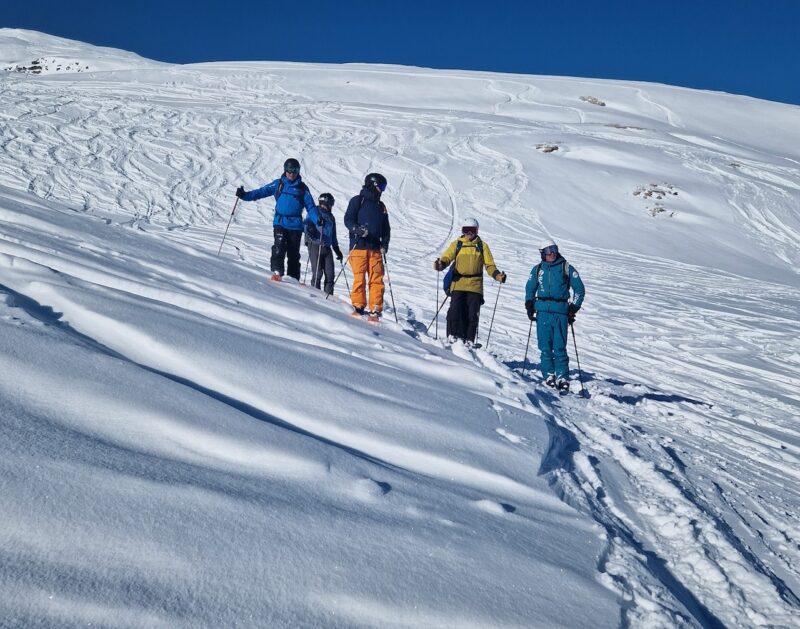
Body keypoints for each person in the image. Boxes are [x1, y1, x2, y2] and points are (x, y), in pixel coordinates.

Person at [236, 157, 317, 281]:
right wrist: (244, 195)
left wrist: (317, 220)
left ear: (298, 172)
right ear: (285, 170)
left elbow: (310, 206)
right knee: (278, 247)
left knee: (293, 254)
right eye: (289, 171)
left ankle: (293, 278)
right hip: (280, 222)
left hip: (295, 225)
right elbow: (261, 192)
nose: (291, 174)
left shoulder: (302, 189)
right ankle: (277, 272)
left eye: (294, 171)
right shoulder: (278, 184)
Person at [524, 240, 585, 392]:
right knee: (545, 346)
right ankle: (548, 375)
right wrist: (529, 304)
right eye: (548, 250)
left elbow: (579, 289)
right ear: (542, 253)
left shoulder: (566, 268)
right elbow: (530, 287)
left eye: (554, 249)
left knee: (559, 347)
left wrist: (574, 308)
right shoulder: (538, 269)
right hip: (543, 312)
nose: (552, 253)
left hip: (560, 312)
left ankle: (562, 376)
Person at [433, 218, 506, 346]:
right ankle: (452, 335)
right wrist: (440, 264)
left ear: (477, 231)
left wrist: (497, 276)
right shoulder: (457, 244)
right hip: (458, 282)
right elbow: (447, 257)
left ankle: (469, 340)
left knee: (472, 314)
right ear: (462, 230)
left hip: (475, 285)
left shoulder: (482, 246)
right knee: (455, 310)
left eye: (472, 230)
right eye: (466, 230)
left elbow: (489, 265)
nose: (469, 233)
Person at [343, 173, 391, 320]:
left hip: (375, 248)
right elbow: (348, 219)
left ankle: (375, 308)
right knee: (359, 278)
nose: (382, 190)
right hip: (359, 246)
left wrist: (384, 244)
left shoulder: (381, 206)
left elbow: (386, 229)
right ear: (374, 185)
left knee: (376, 279)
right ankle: (358, 305)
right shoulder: (358, 201)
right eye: (381, 186)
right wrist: (357, 229)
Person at [304, 192, 343, 295]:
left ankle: (329, 298)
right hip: (315, 245)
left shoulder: (331, 217)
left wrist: (337, 249)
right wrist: (310, 230)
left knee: (330, 275)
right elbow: (306, 224)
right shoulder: (314, 212)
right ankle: (316, 297)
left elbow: (333, 235)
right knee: (318, 273)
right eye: (331, 204)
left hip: (327, 247)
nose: (331, 207)